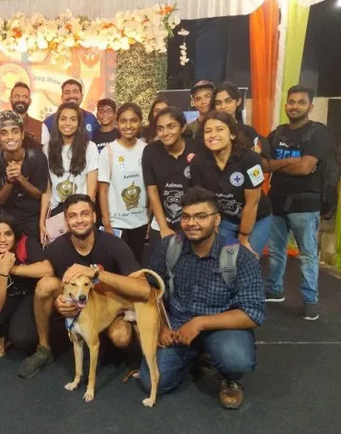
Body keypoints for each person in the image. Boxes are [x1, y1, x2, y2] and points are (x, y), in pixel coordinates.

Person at [140, 186, 265, 410]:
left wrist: (199, 323)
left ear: (217, 219)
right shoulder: (169, 247)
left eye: (200, 216)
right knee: (152, 381)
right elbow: (150, 290)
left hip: (220, 329)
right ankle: (195, 356)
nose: (191, 223)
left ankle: (228, 377)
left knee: (236, 359)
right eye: (186, 217)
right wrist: (160, 327)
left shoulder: (239, 256)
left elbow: (253, 313)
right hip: (176, 329)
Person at [18, 194, 149, 379]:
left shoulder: (113, 244)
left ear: (94, 217)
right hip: (79, 304)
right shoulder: (57, 247)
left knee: (121, 338)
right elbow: (47, 275)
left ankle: (107, 344)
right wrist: (58, 302)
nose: (79, 220)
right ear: (66, 221)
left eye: (84, 214)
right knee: (45, 284)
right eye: (73, 216)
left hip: (108, 305)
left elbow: (144, 289)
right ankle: (44, 349)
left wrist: (96, 273)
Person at [262, 85, 333, 320]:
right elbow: (262, 165)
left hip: (306, 203)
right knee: (276, 251)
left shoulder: (318, 133)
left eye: (301, 102)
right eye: (291, 102)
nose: (295, 106)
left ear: (310, 106)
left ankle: (310, 300)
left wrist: (276, 165)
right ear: (286, 105)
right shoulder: (277, 133)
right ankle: (274, 290)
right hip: (277, 199)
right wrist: (289, 162)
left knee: (307, 254)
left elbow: (305, 168)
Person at [190, 111, 272, 257]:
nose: (213, 135)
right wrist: (213, 229)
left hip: (257, 219)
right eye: (208, 131)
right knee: (223, 259)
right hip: (225, 219)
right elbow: (203, 202)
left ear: (232, 134)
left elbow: (252, 203)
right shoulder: (198, 162)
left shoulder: (250, 159)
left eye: (219, 129)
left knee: (246, 259)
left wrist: (243, 238)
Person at [0, 213, 53, 358]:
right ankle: (1, 332)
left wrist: (12, 269)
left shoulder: (27, 244)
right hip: (5, 302)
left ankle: (14, 332)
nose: (2, 239)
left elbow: (48, 270)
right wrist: (3, 273)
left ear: (15, 235)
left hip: (27, 297)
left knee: (22, 339)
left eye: (8, 234)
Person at [142, 107, 197, 261]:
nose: (165, 133)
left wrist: (190, 224)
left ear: (183, 127)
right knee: (159, 265)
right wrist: (163, 227)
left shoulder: (197, 148)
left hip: (191, 220)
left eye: (171, 126)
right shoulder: (150, 151)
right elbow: (152, 190)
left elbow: (200, 191)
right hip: (162, 219)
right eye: (160, 128)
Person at [40, 102, 99, 245]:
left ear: (79, 123)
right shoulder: (47, 148)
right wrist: (42, 221)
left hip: (81, 210)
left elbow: (92, 188)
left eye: (73, 119)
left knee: (83, 251)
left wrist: (88, 212)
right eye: (63, 119)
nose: (67, 123)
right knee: (59, 254)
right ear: (57, 122)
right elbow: (47, 191)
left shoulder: (90, 147)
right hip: (57, 212)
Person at [0, 110, 49, 240]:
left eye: (15, 131)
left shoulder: (37, 157)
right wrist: (9, 181)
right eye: (4, 133)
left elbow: (38, 194)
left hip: (33, 218)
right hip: (5, 220)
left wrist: (20, 178)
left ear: (22, 134)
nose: (10, 137)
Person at [98, 102, 149, 263]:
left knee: (136, 265)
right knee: (116, 266)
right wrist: (107, 224)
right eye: (123, 121)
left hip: (140, 221)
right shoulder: (108, 151)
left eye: (133, 120)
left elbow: (151, 187)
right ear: (117, 123)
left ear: (140, 122)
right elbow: (103, 191)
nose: (128, 126)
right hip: (117, 223)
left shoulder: (147, 150)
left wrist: (149, 218)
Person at [0, 82, 50, 153]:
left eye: (25, 97)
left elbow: (46, 156)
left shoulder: (41, 127)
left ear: (30, 101)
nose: (21, 99)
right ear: (10, 99)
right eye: (17, 96)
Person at [212, 82, 265, 154]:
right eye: (218, 103)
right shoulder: (209, 131)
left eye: (228, 101)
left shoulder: (248, 132)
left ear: (238, 101)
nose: (223, 106)